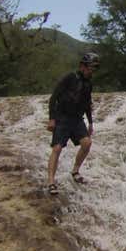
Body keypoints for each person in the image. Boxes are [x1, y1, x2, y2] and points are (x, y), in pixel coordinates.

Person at [46, 52, 99, 195]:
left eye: (94, 69)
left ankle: (75, 171)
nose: (92, 71)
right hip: (62, 118)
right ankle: (51, 181)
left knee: (87, 143)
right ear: (82, 66)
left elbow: (87, 104)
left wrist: (90, 123)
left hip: (77, 119)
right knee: (57, 149)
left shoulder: (89, 84)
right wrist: (52, 119)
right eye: (90, 68)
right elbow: (53, 98)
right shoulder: (70, 78)